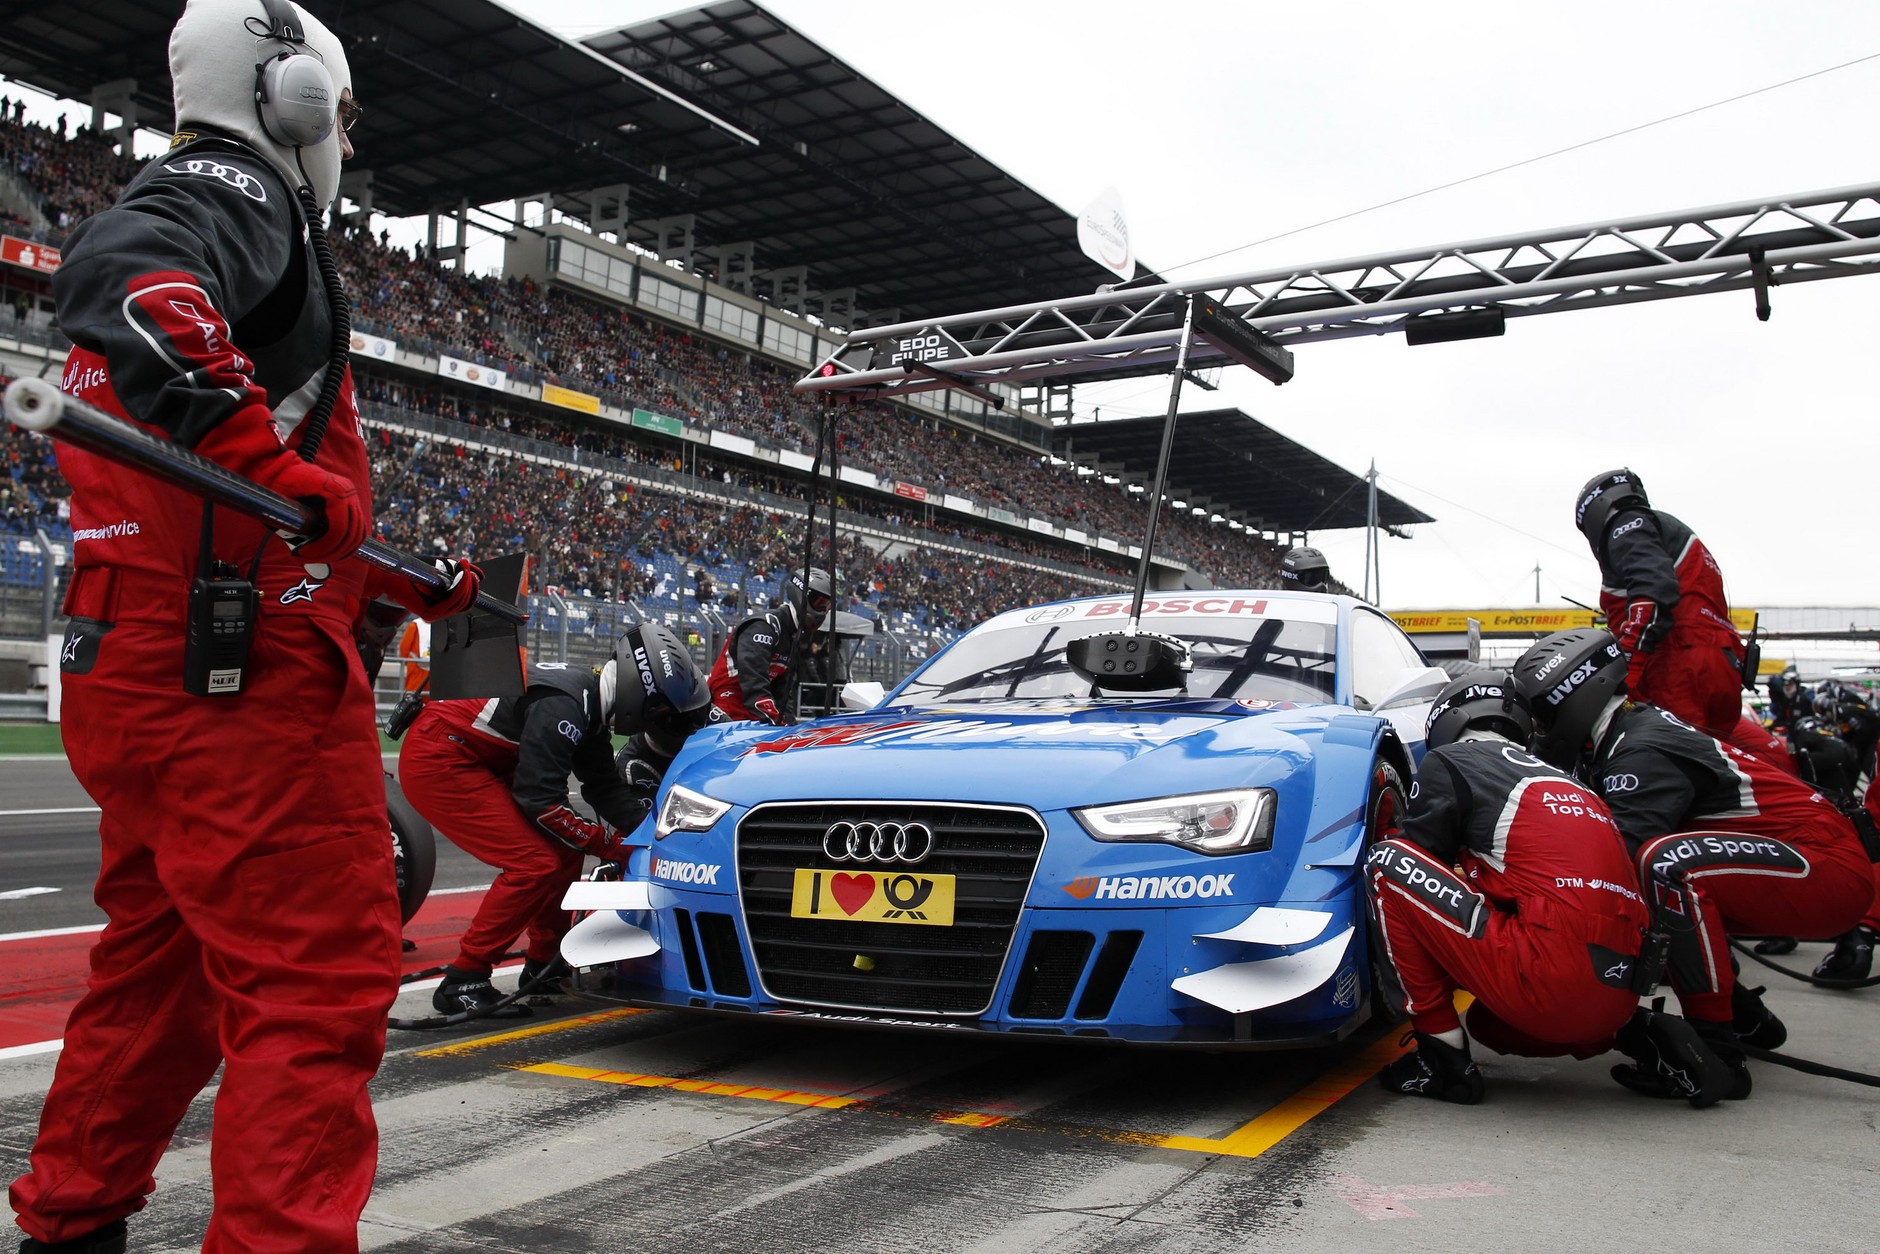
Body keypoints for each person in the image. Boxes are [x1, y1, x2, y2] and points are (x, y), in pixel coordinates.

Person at [10, 4, 481, 1251]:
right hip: (244, 685)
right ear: (294, 94)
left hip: (144, 664)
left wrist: (382, 578)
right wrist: (249, 452)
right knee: (316, 990)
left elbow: (243, 500)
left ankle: (69, 1224)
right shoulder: (233, 189)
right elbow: (124, 272)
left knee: (155, 981)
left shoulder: (216, 201)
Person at [1512, 628, 1880, 1097]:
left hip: (1826, 866)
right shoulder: (1625, 733)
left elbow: (1609, 864)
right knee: (1658, 885)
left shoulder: (1639, 750)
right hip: (1809, 861)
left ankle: (1715, 1051)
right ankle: (1744, 1019)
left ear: (1573, 697)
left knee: (1662, 866)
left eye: (1542, 718)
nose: (1540, 732)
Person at [1368, 673, 1732, 1107]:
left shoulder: (1453, 761)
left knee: (1388, 863)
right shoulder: (1578, 786)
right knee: (1489, 1024)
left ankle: (1440, 1061)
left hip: (1550, 981)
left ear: (1450, 720)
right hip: (1620, 990)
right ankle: (1637, 1032)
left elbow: (1419, 862)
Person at [398, 622, 713, 1015]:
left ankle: (543, 964)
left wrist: (653, 834)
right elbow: (540, 801)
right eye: (661, 712)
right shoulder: (566, 704)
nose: (660, 723)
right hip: (443, 756)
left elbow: (603, 787)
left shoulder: (589, 702)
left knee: (564, 853)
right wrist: (609, 844)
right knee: (533, 863)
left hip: (476, 755)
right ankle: (465, 978)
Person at [1572, 470, 1755, 746]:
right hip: (1723, 667)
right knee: (1713, 768)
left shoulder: (1628, 523)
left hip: (1677, 666)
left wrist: (1624, 673)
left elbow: (1652, 597)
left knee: (1673, 767)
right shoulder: (1671, 532)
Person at [708, 565, 834, 724]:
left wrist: (791, 727)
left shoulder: (793, 636)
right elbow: (754, 685)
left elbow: (782, 694)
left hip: (752, 714)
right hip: (725, 711)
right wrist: (780, 726)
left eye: (827, 607)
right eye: (819, 603)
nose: (823, 611)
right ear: (801, 595)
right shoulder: (764, 626)